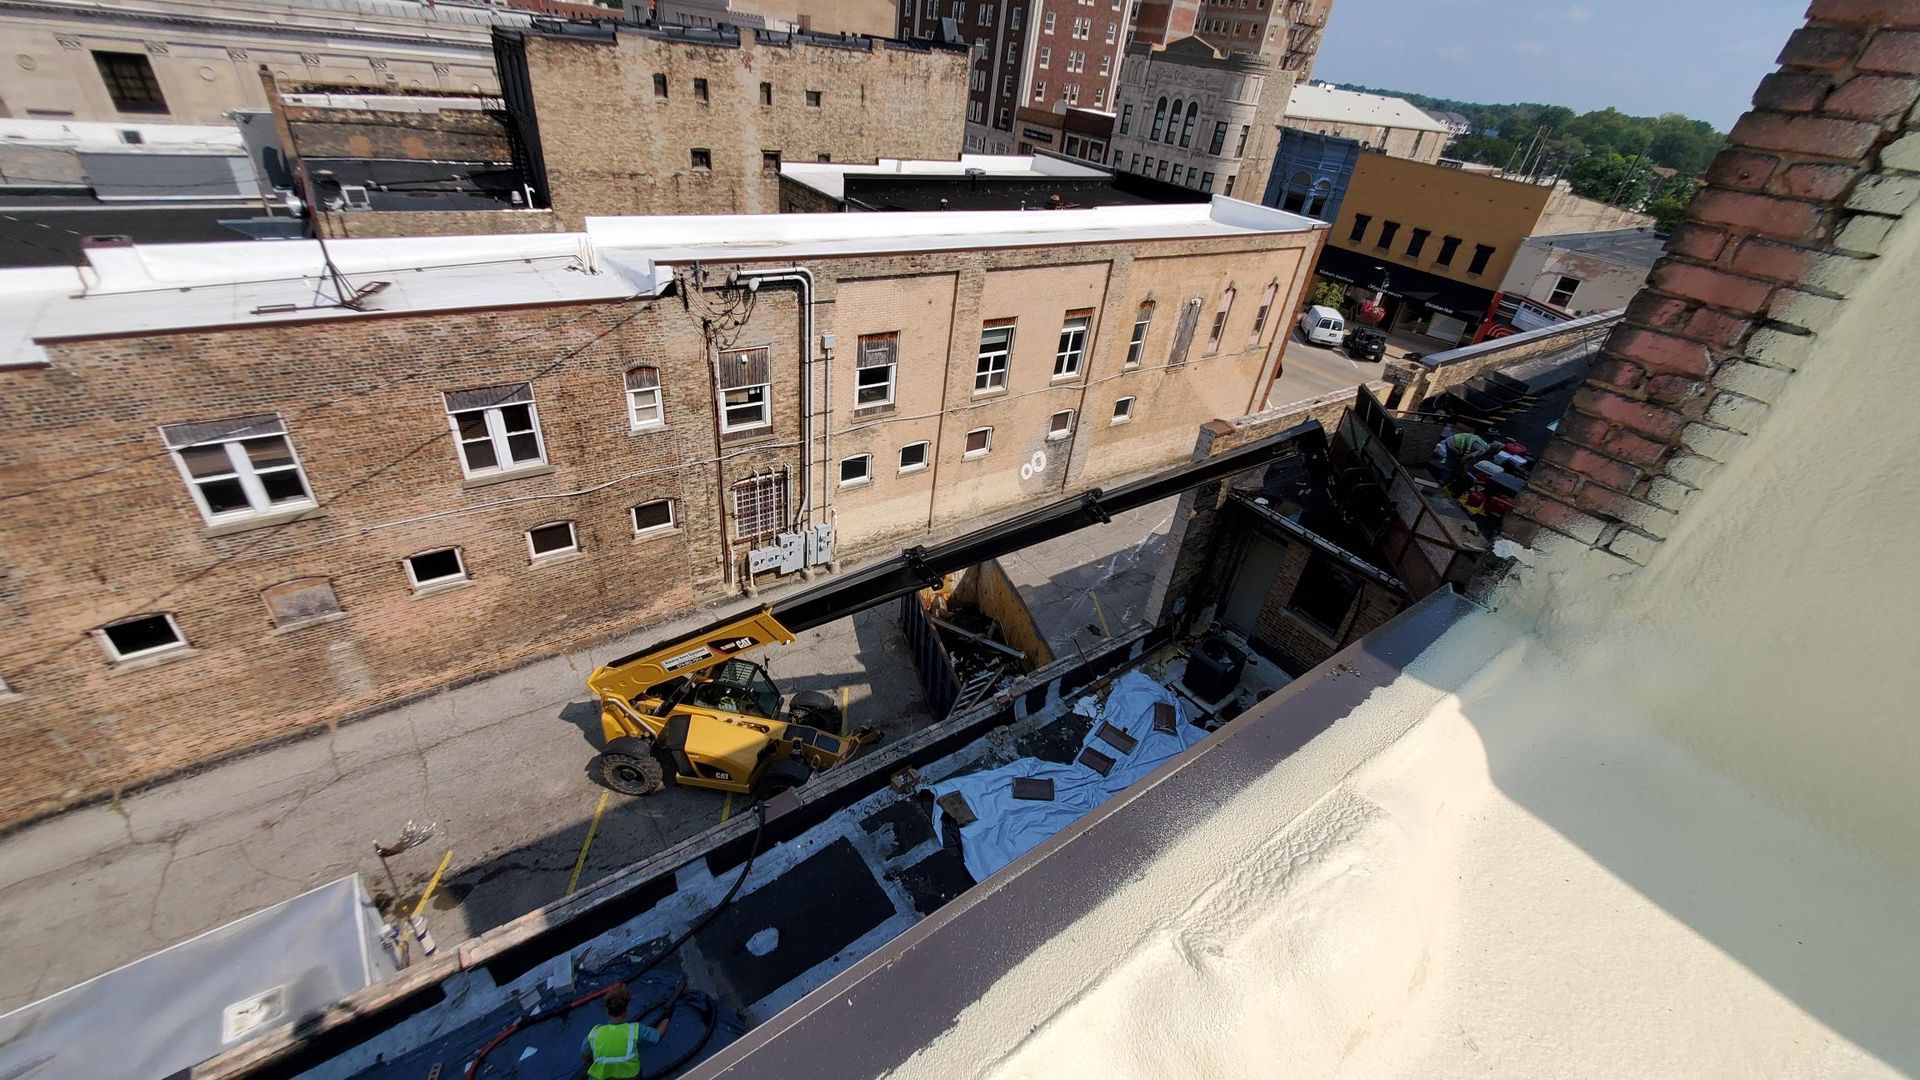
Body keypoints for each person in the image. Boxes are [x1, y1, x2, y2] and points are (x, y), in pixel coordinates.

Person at [581, 983, 667, 1079]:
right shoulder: (635, 1029)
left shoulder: (595, 1033)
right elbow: (657, 1035)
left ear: (607, 1010)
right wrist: (667, 1018)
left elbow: (585, 1054)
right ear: (626, 1009)